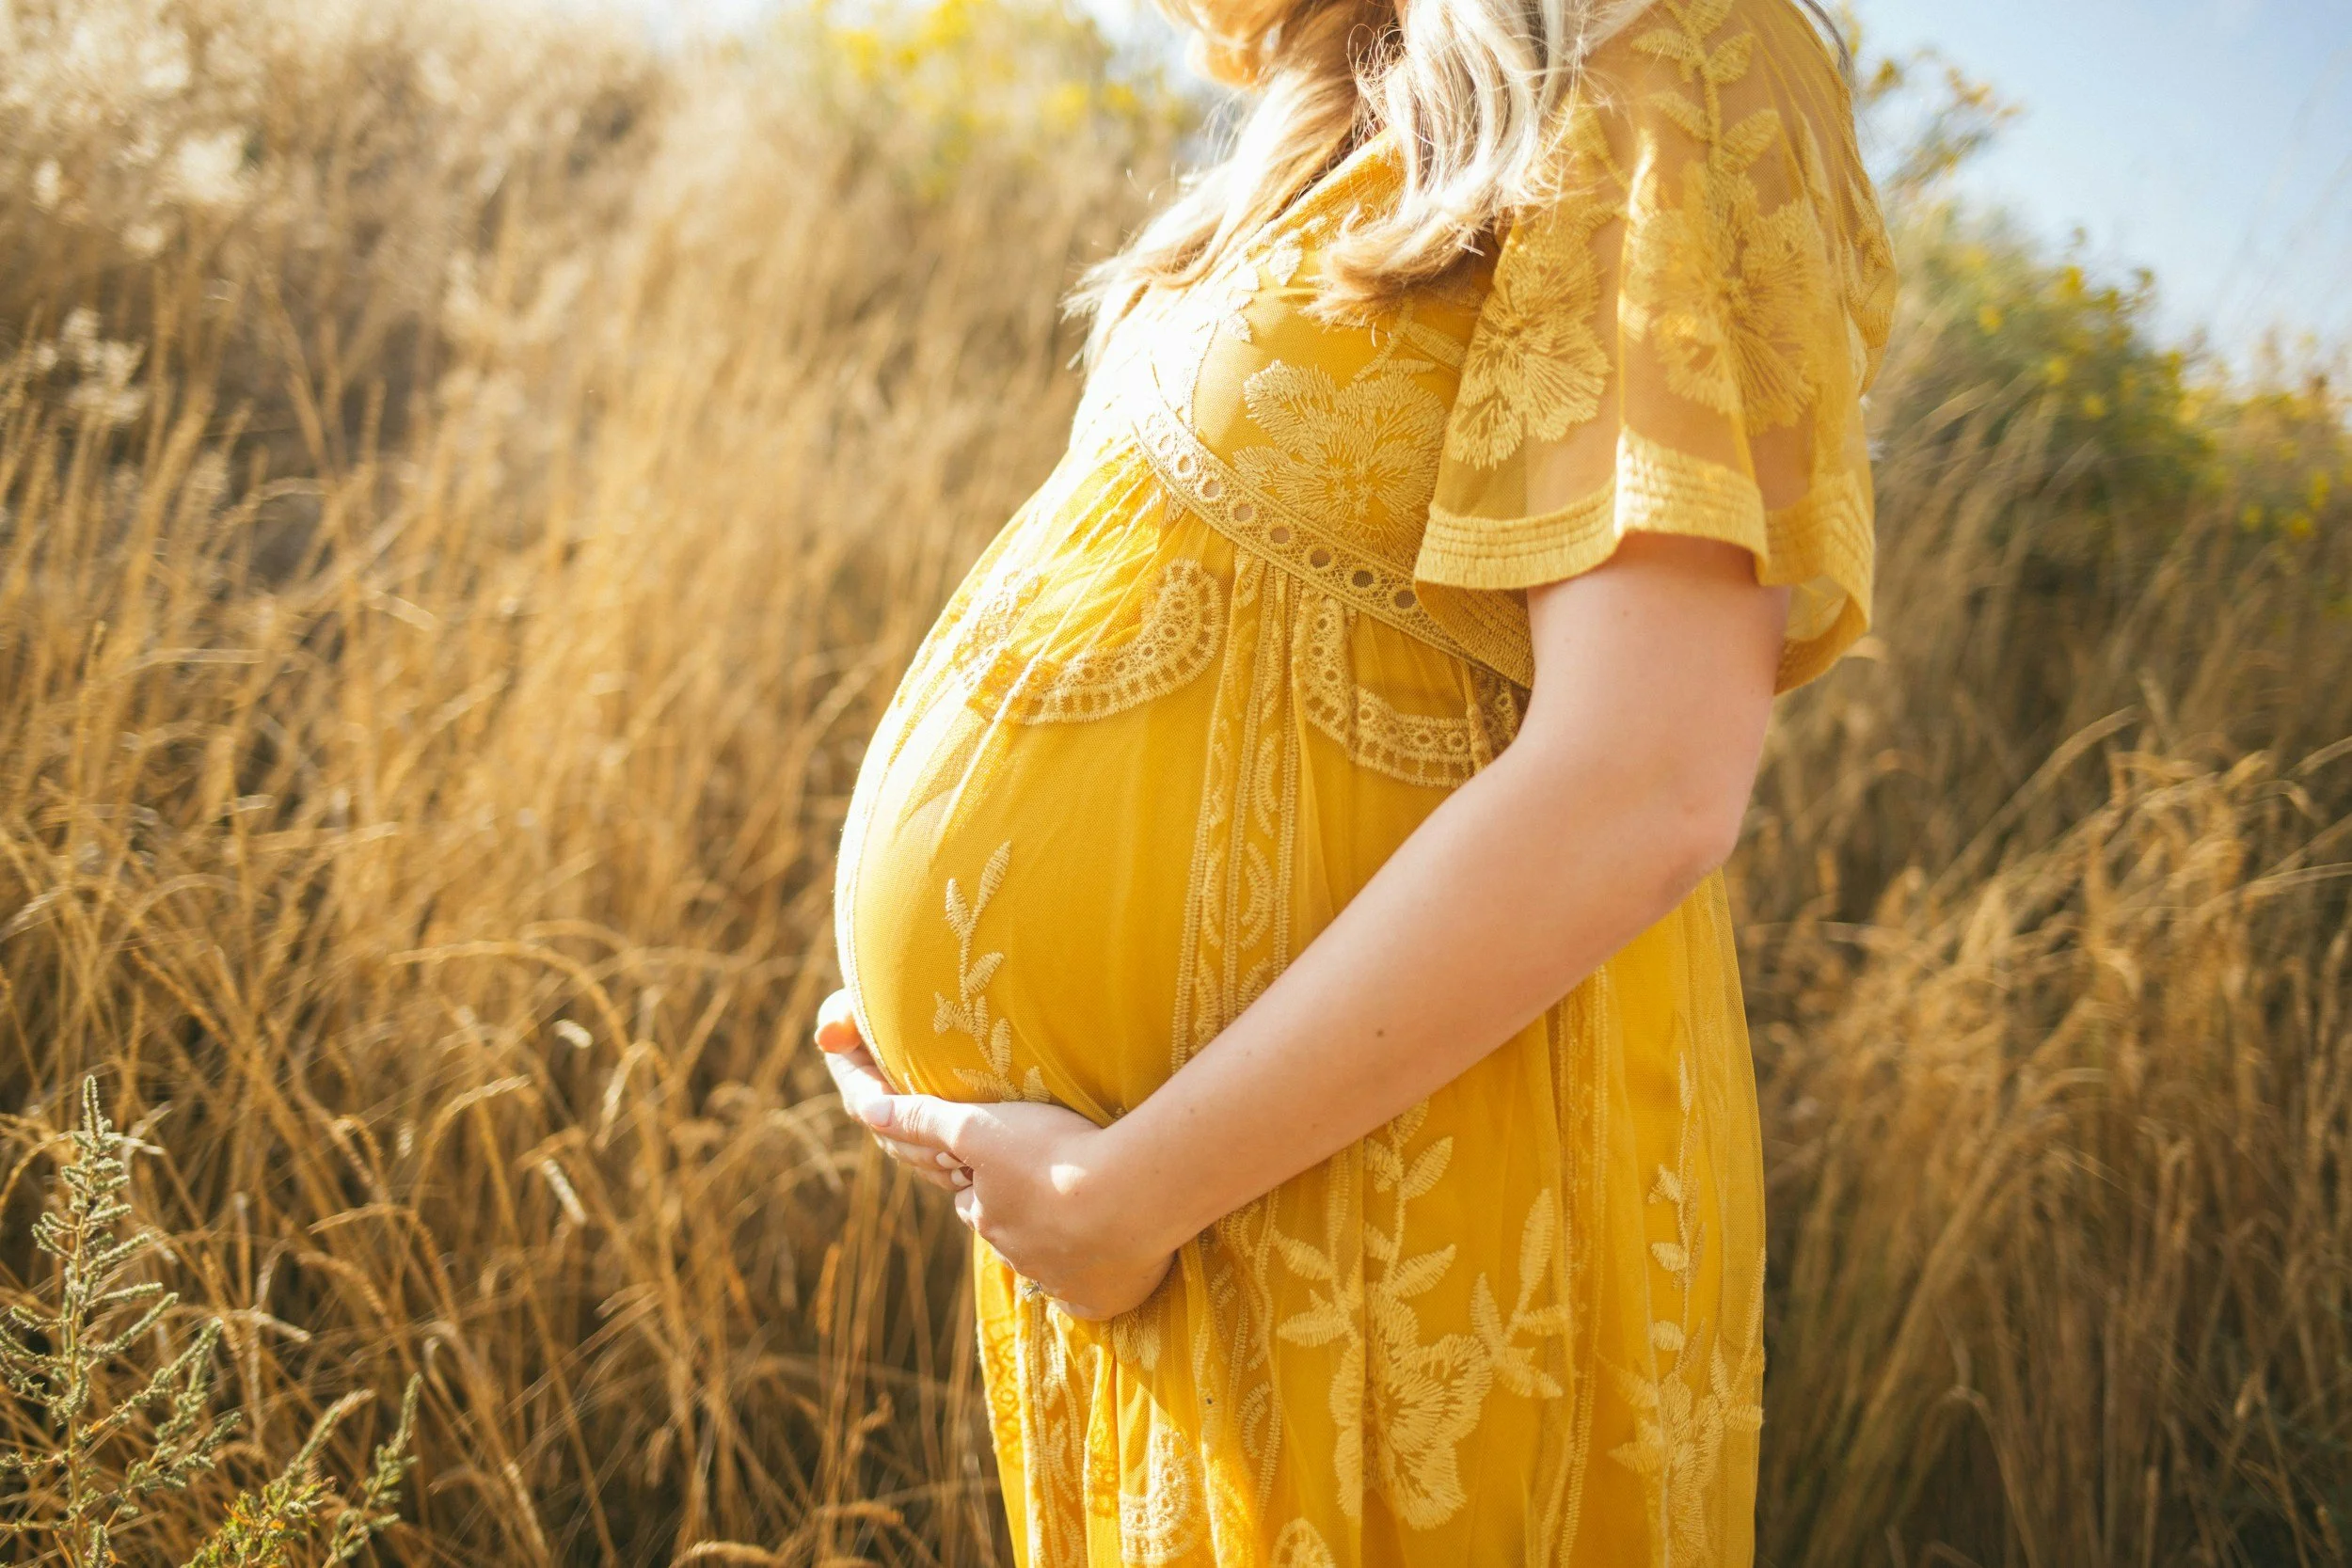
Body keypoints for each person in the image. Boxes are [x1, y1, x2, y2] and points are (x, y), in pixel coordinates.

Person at [815, 0, 1895, 1557]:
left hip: (1401, 1216)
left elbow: (1646, 776)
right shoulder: (1345, 101)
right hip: (1179, 1217)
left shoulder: (1685, 55)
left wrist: (1129, 1193)